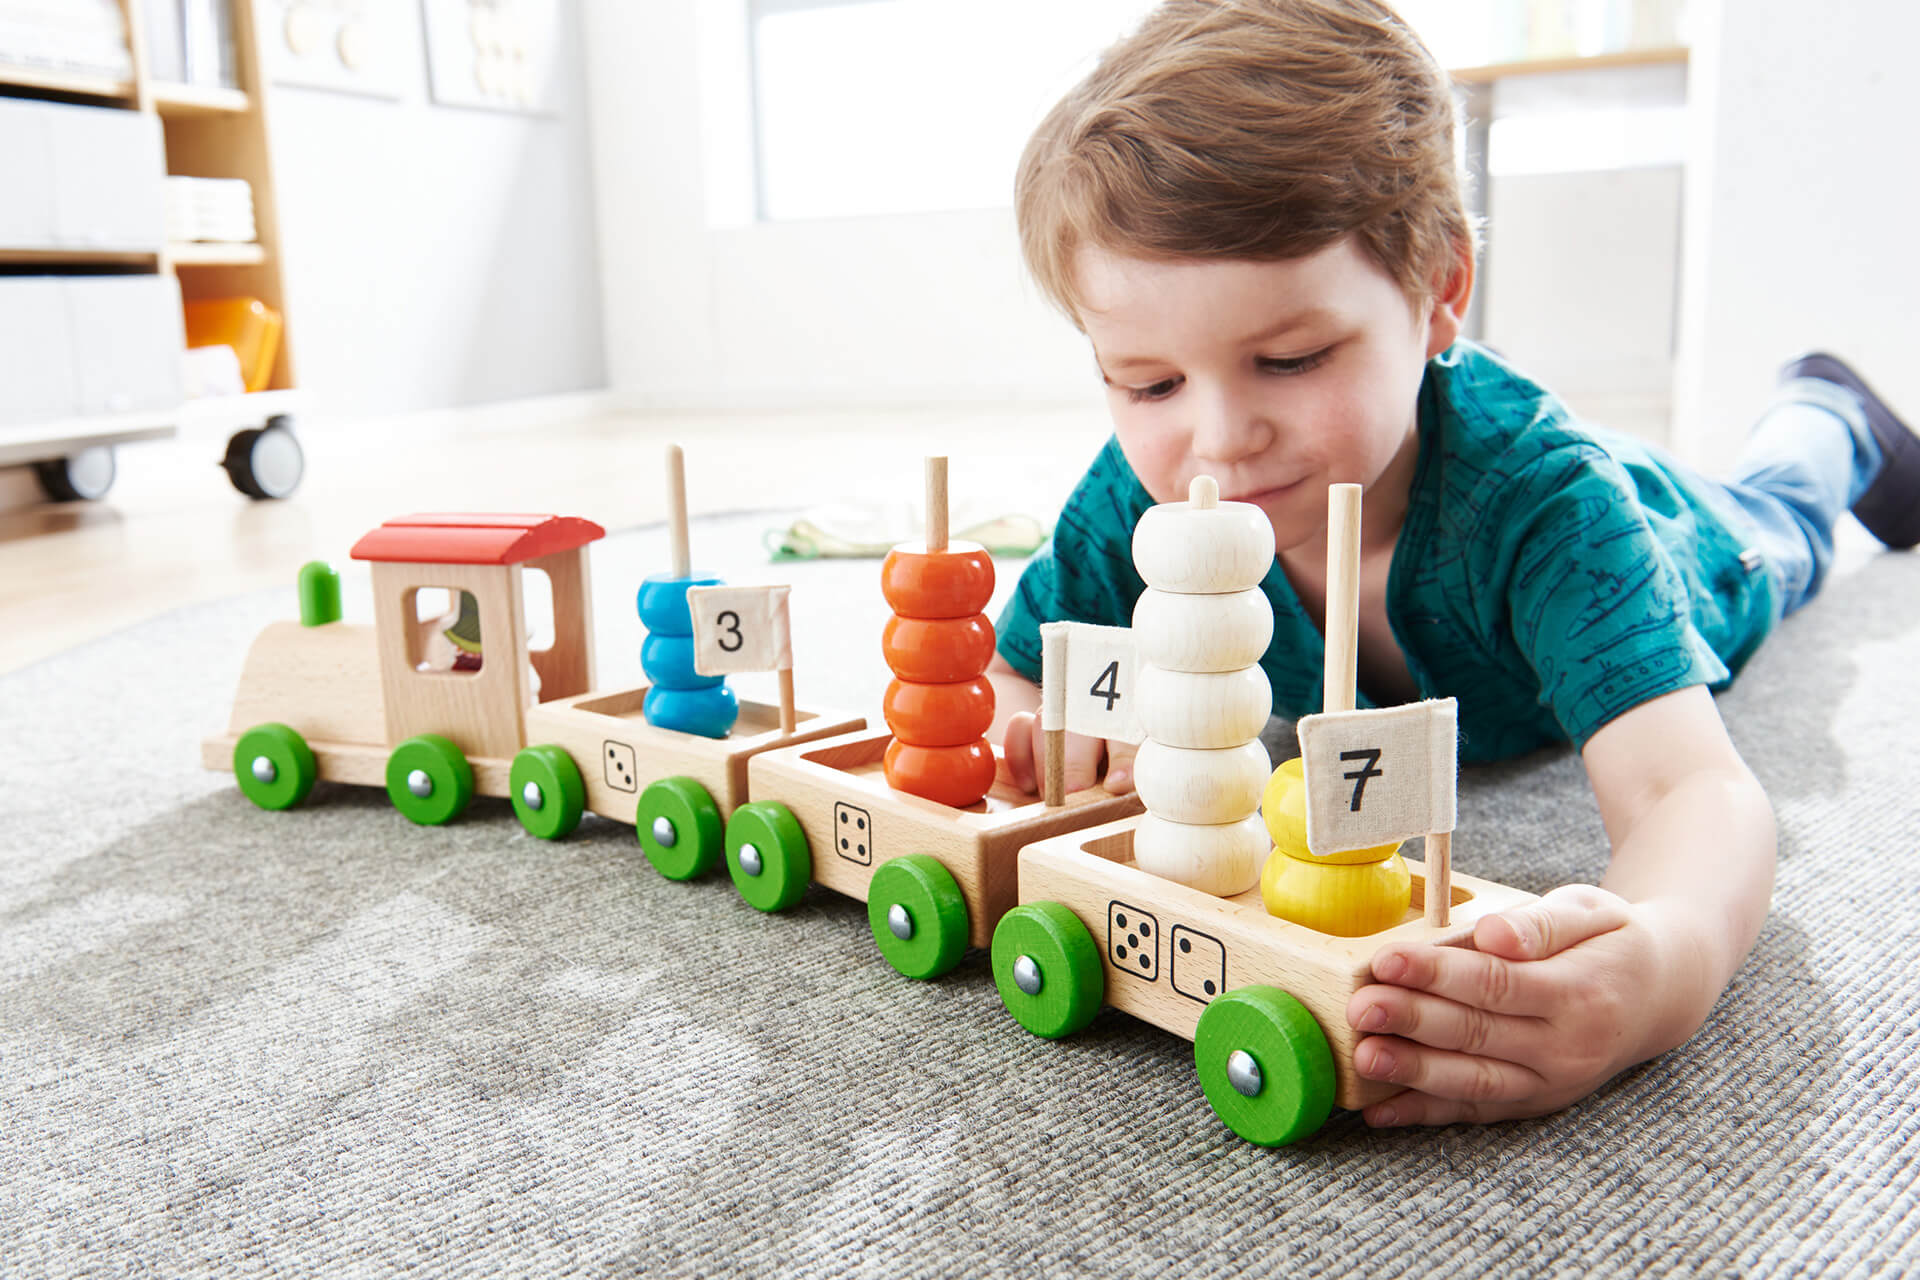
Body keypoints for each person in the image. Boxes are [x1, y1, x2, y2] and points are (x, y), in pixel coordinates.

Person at [985, 0, 1920, 1130]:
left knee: (1785, 520)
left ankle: (1829, 415)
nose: (1220, 441)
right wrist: (1029, 717)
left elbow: (1694, 791)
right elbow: (1021, 668)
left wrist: (1654, 969)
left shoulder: (1551, 508)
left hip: (1691, 544)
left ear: (1440, 294)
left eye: (1288, 358)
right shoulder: (1145, 500)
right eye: (1149, 384)